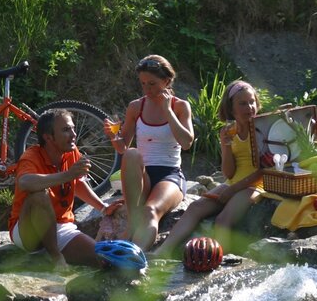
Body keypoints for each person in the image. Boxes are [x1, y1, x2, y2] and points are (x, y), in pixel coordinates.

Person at [153, 80, 264, 257]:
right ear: (231, 109)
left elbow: (263, 171)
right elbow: (228, 173)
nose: (250, 107)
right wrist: (226, 145)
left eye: (252, 102)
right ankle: (163, 251)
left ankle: (220, 260)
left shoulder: (262, 130)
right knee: (196, 207)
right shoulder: (228, 131)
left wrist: (232, 190)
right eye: (243, 103)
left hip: (257, 185)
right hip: (233, 182)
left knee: (222, 220)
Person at [104, 55, 194, 249]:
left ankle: (134, 255)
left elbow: (187, 142)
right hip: (142, 174)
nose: (147, 90)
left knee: (149, 211)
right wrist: (113, 135)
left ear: (167, 81)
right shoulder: (136, 106)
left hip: (169, 175)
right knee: (132, 154)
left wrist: (168, 112)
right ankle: (129, 226)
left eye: (152, 84)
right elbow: (123, 148)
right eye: (143, 84)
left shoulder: (180, 106)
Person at [8, 108, 112, 269]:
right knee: (39, 195)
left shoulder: (72, 152)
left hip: (61, 227)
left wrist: (103, 208)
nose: (73, 135)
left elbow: (77, 183)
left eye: (72, 128)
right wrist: (67, 175)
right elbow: (24, 182)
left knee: (105, 260)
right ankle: (56, 258)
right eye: (66, 130)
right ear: (48, 137)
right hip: (29, 231)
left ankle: (55, 253)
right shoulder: (31, 156)